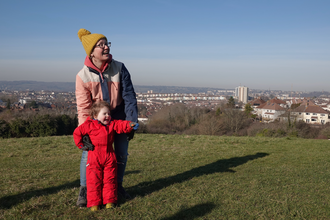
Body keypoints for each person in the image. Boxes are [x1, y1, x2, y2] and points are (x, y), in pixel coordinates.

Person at [75, 28, 138, 207]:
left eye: (106, 43)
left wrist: (132, 122)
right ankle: (85, 189)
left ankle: (117, 186)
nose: (105, 48)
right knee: (89, 155)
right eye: (100, 45)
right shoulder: (82, 76)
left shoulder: (120, 68)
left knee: (121, 153)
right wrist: (84, 131)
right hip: (95, 119)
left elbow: (129, 97)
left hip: (118, 115)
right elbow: (84, 108)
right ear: (91, 51)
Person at [73, 101, 139, 211]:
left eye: (109, 113)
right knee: (94, 180)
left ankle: (110, 201)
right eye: (104, 114)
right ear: (95, 115)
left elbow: (120, 125)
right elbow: (77, 133)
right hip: (94, 157)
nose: (107, 116)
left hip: (109, 156)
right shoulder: (88, 125)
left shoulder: (111, 124)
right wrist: (82, 145)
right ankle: (94, 203)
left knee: (110, 179)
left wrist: (129, 125)